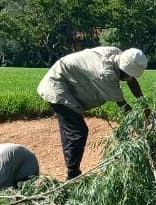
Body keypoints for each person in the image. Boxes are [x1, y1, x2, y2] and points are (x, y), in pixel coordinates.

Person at [37, 46, 148, 180]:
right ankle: (73, 176)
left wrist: (145, 106)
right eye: (130, 75)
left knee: (71, 130)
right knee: (77, 131)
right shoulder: (105, 74)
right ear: (123, 70)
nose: (130, 78)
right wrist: (142, 128)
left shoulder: (117, 55)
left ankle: (71, 168)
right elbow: (124, 107)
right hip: (56, 86)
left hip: (68, 81)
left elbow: (131, 80)